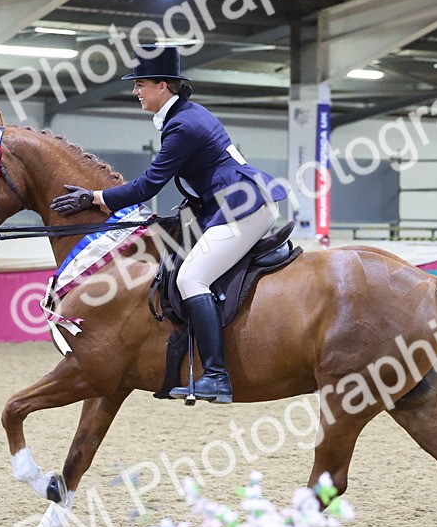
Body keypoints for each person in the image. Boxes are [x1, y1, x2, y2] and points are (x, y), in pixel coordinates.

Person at [51, 46, 287, 404]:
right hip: (222, 203)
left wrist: (96, 198)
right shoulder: (184, 116)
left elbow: (148, 185)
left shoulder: (183, 125)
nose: (136, 92)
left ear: (163, 86)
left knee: (191, 278)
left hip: (242, 208)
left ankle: (217, 376)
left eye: (141, 85)